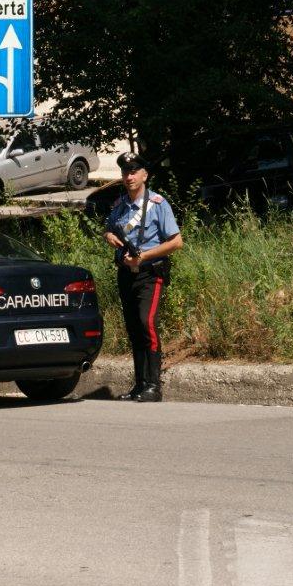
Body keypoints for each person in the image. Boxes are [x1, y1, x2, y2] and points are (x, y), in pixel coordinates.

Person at [104, 153, 183, 402]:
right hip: (126, 274)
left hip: (150, 273)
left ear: (144, 175)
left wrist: (144, 256)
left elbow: (176, 242)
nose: (129, 177)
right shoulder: (120, 205)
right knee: (133, 328)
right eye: (125, 172)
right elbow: (109, 228)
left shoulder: (158, 204)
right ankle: (139, 385)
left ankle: (153, 385)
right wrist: (109, 236)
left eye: (134, 171)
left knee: (146, 323)